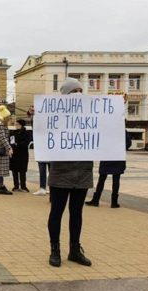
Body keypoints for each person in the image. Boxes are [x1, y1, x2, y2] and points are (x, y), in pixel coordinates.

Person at [47, 77, 93, 268]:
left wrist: (117, 113)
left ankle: (74, 249)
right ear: (65, 96)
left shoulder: (91, 115)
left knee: (77, 212)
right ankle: (55, 249)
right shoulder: (55, 116)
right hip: (61, 170)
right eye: (74, 91)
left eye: (80, 91)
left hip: (82, 171)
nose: (78, 94)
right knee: (56, 212)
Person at [85, 131, 132, 208]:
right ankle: (114, 202)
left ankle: (96, 200)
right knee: (115, 180)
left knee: (102, 180)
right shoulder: (123, 131)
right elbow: (128, 144)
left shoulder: (108, 129)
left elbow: (101, 142)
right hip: (117, 157)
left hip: (107, 157)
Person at [10, 119, 30, 192]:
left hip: (23, 154)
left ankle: (23, 186)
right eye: (15, 124)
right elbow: (11, 142)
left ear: (21, 125)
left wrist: (17, 144)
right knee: (14, 171)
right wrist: (14, 145)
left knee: (22, 171)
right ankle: (16, 186)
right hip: (14, 154)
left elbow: (26, 143)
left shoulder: (26, 133)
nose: (16, 126)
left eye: (17, 124)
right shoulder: (13, 133)